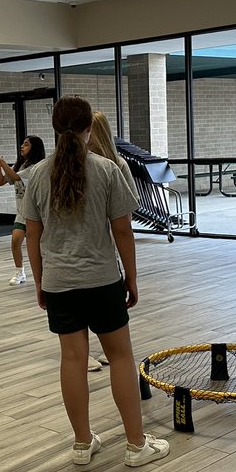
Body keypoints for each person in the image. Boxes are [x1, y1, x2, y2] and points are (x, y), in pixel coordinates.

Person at [24, 95, 169, 468]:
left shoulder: (38, 173)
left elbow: (32, 235)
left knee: (72, 359)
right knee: (121, 356)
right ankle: (136, 446)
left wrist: (40, 282)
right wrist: (131, 278)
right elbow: (123, 231)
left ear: (55, 130)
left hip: (59, 283)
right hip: (102, 280)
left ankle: (81, 444)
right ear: (90, 128)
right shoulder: (106, 169)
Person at [84, 109, 137, 372]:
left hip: (104, 257)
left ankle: (106, 349)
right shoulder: (71, 165)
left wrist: (130, 273)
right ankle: (83, 354)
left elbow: (123, 222)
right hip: (80, 256)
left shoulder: (116, 165)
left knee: (108, 315)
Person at [0, 135, 46, 286]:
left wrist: (2, 161)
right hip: (22, 211)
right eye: (22, 144)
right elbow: (1, 181)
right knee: (15, 240)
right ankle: (20, 272)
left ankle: (45, 273)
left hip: (36, 213)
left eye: (26, 144)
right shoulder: (21, 164)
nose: (22, 147)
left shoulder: (35, 167)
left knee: (39, 245)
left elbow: (15, 177)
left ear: (34, 148)